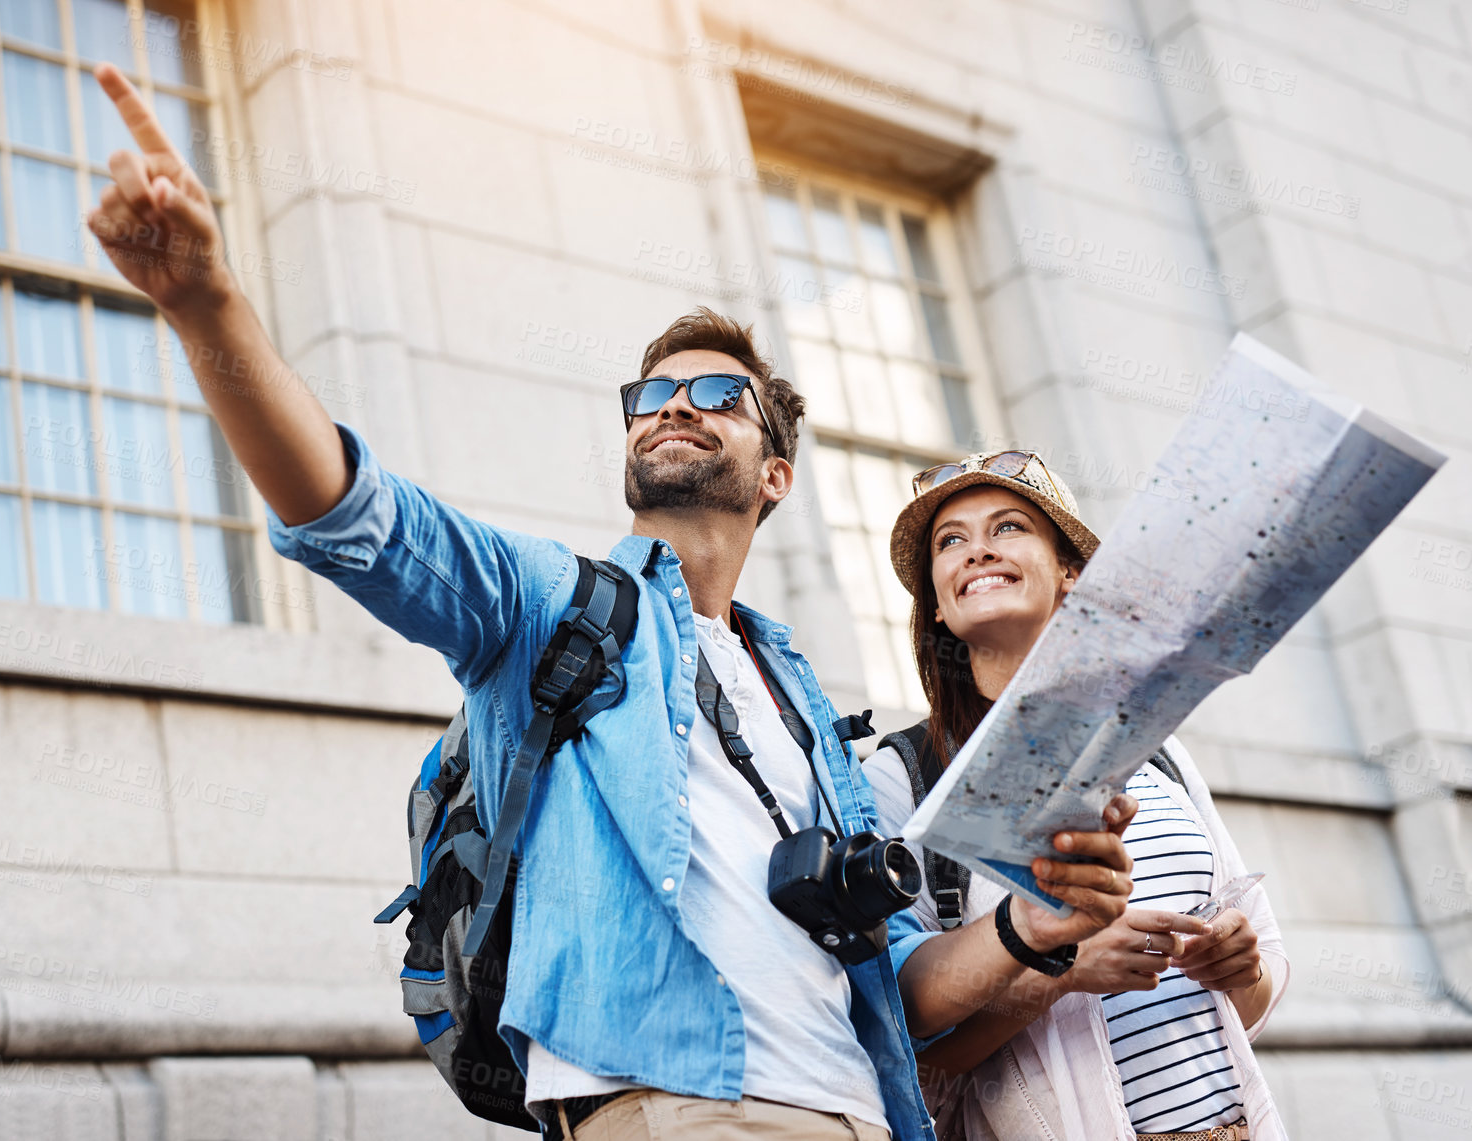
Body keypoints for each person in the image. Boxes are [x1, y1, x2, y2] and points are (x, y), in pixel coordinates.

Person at [82, 62, 1144, 1141]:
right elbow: (355, 517)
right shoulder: (551, 608)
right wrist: (205, 305)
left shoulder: (808, 711)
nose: (674, 404)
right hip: (678, 1109)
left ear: (775, 472)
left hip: (858, 1109)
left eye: (717, 393)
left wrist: (1026, 925)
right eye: (652, 395)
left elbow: (903, 980)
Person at [862, 451, 1290, 1141]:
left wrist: (1237, 966)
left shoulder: (1161, 754)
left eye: (1007, 527)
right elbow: (910, 1035)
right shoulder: (901, 777)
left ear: (1070, 573)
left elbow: (1251, 998)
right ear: (936, 604)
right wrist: (1056, 973)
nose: (976, 550)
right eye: (950, 540)